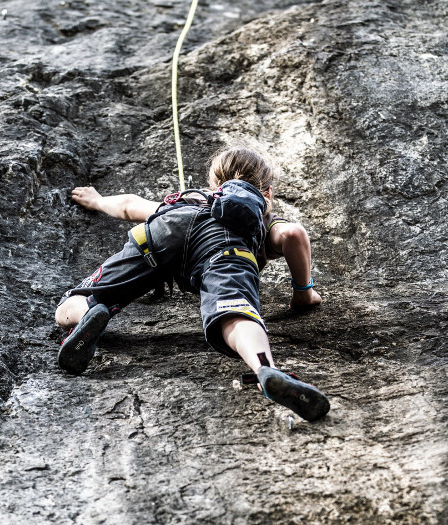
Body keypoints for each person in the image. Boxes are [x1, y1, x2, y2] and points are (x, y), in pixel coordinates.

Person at [55, 146, 330, 421]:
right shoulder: (260, 218)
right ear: (267, 192)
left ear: (216, 182)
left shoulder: (194, 198)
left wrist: (97, 200)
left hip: (163, 233)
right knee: (234, 314)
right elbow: (293, 234)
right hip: (223, 247)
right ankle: (265, 368)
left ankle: (89, 311)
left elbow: (129, 206)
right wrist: (303, 292)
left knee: (73, 302)